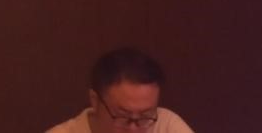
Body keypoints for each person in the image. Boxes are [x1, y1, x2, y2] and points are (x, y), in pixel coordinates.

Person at [46, 48, 194, 133]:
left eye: (145, 116)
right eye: (123, 116)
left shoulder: (166, 125)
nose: (134, 130)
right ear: (95, 101)